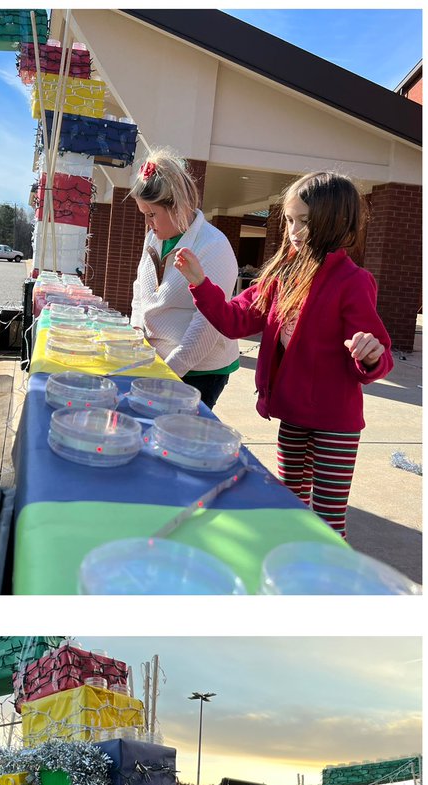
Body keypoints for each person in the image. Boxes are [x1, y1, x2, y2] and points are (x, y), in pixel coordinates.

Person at [174, 171, 391, 537]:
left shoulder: (353, 282)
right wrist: (200, 283)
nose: (293, 229)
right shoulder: (282, 275)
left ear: (336, 222)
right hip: (292, 415)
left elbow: (376, 353)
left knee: (326, 521)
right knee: (288, 506)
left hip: (335, 423)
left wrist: (369, 354)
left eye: (304, 221)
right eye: (290, 219)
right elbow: (236, 319)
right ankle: (290, 565)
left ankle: (322, 580)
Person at [129, 148, 241, 410]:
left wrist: (168, 374)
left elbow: (208, 324)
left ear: (179, 205)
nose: (148, 223)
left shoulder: (213, 246)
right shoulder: (154, 238)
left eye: (152, 214)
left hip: (199, 371)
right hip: (158, 363)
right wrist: (136, 330)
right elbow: (140, 290)